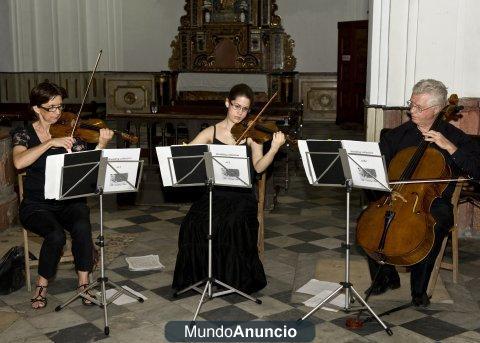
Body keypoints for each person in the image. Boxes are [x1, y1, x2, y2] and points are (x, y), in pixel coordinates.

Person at [365, 79, 480, 306]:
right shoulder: (395, 135)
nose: (411, 111)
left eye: (418, 107)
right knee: (367, 220)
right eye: (411, 104)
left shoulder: (454, 137)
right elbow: (374, 171)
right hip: (395, 195)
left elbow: (476, 170)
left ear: (437, 110)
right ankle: (385, 277)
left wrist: (450, 148)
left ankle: (419, 290)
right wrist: (385, 191)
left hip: (432, 202)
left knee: (433, 225)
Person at [172, 83, 286, 294]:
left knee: (230, 224)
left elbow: (258, 167)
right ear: (227, 103)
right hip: (215, 193)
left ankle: (231, 278)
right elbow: (188, 153)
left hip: (241, 195)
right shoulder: (211, 131)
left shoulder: (252, 134)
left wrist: (275, 148)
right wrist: (184, 150)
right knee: (193, 223)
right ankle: (202, 276)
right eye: (236, 106)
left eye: (244, 109)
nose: (240, 113)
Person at [12, 82, 114, 309]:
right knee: (56, 235)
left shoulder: (72, 133)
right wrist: (49, 143)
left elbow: (91, 166)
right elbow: (19, 162)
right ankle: (41, 285)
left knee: (82, 225)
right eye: (52, 108)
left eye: (60, 107)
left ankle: (83, 283)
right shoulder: (24, 133)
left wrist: (102, 144)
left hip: (69, 200)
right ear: (37, 109)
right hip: (37, 204)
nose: (58, 113)